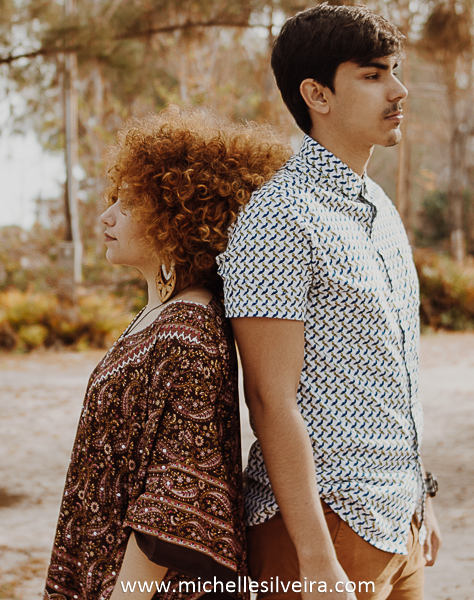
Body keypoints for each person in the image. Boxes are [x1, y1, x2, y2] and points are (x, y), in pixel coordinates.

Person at [216, 5, 442, 600]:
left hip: (400, 525)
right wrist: (316, 558)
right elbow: (269, 398)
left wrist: (421, 498)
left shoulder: (381, 210)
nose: (399, 90)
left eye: (394, 70)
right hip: (322, 531)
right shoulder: (279, 217)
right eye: (372, 75)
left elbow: (395, 376)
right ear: (316, 93)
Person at [44, 107, 291, 600]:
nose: (106, 216)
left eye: (128, 205)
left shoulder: (190, 332)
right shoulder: (157, 316)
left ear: (180, 219)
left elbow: (177, 498)